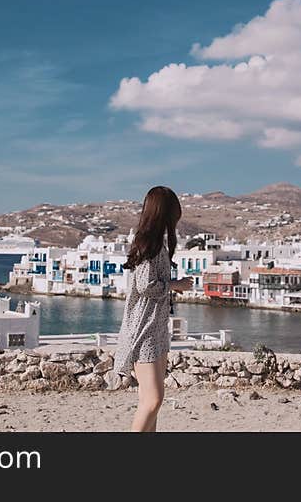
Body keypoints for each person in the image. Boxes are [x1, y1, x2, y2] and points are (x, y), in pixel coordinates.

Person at [113, 185, 193, 432]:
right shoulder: (149, 244)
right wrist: (175, 284)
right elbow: (145, 284)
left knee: (152, 402)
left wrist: (172, 286)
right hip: (144, 331)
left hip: (156, 329)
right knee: (153, 400)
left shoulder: (156, 243)